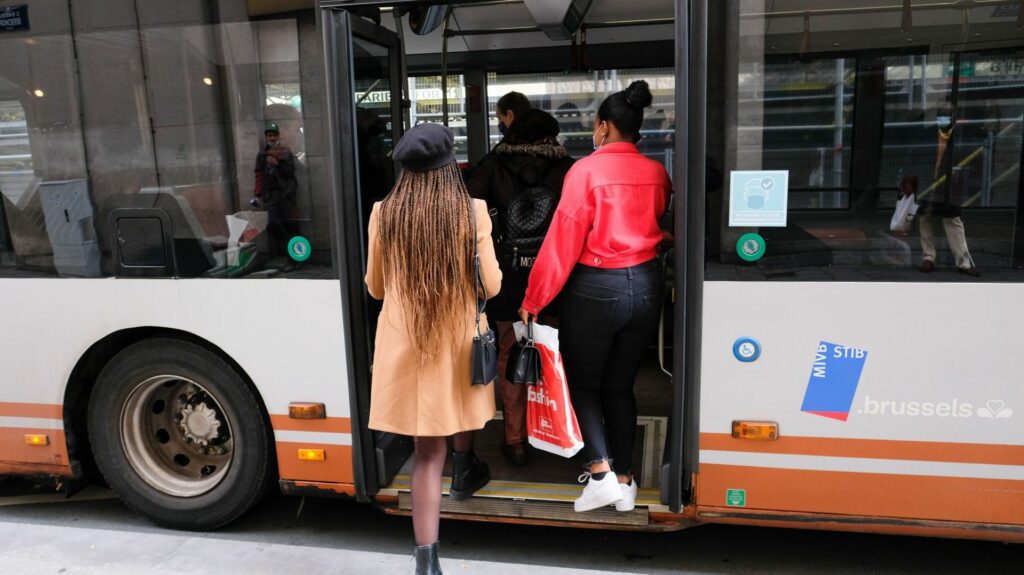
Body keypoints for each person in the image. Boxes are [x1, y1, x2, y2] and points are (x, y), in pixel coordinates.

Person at [518, 80, 671, 513]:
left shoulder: (585, 171)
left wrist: (533, 299)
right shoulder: (657, 173)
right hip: (646, 284)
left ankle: (600, 473)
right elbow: (660, 222)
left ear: (603, 126)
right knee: (620, 386)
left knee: (583, 384)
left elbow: (562, 244)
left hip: (597, 288)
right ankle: (625, 481)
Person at [365, 122, 501, 575]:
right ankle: (466, 466)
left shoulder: (383, 213)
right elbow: (491, 286)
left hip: (407, 348)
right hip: (456, 346)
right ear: (450, 166)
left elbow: (376, 288)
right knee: (456, 411)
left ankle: (427, 562)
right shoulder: (472, 211)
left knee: (426, 456)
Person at [466, 109, 575, 466]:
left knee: (509, 353)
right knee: (551, 353)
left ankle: (515, 440)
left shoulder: (493, 167)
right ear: (550, 137)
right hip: (553, 275)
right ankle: (554, 430)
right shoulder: (567, 169)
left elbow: (468, 208)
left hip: (507, 276)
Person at [917, 101, 979, 276]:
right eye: (940, 115)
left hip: (951, 185)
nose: (942, 119)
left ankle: (963, 262)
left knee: (953, 220)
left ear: (953, 117)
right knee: (925, 218)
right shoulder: (929, 134)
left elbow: (969, 159)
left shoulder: (961, 136)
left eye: (945, 115)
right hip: (929, 183)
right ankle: (928, 257)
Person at [253, 122, 299, 267]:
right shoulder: (262, 153)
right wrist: (258, 194)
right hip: (271, 194)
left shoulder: (285, 151)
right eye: (269, 135)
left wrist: (278, 163)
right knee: (272, 224)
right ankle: (290, 247)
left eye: (274, 135)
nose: (272, 138)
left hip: (285, 194)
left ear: (278, 136)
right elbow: (259, 174)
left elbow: (290, 172)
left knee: (289, 224)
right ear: (266, 137)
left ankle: (294, 259)